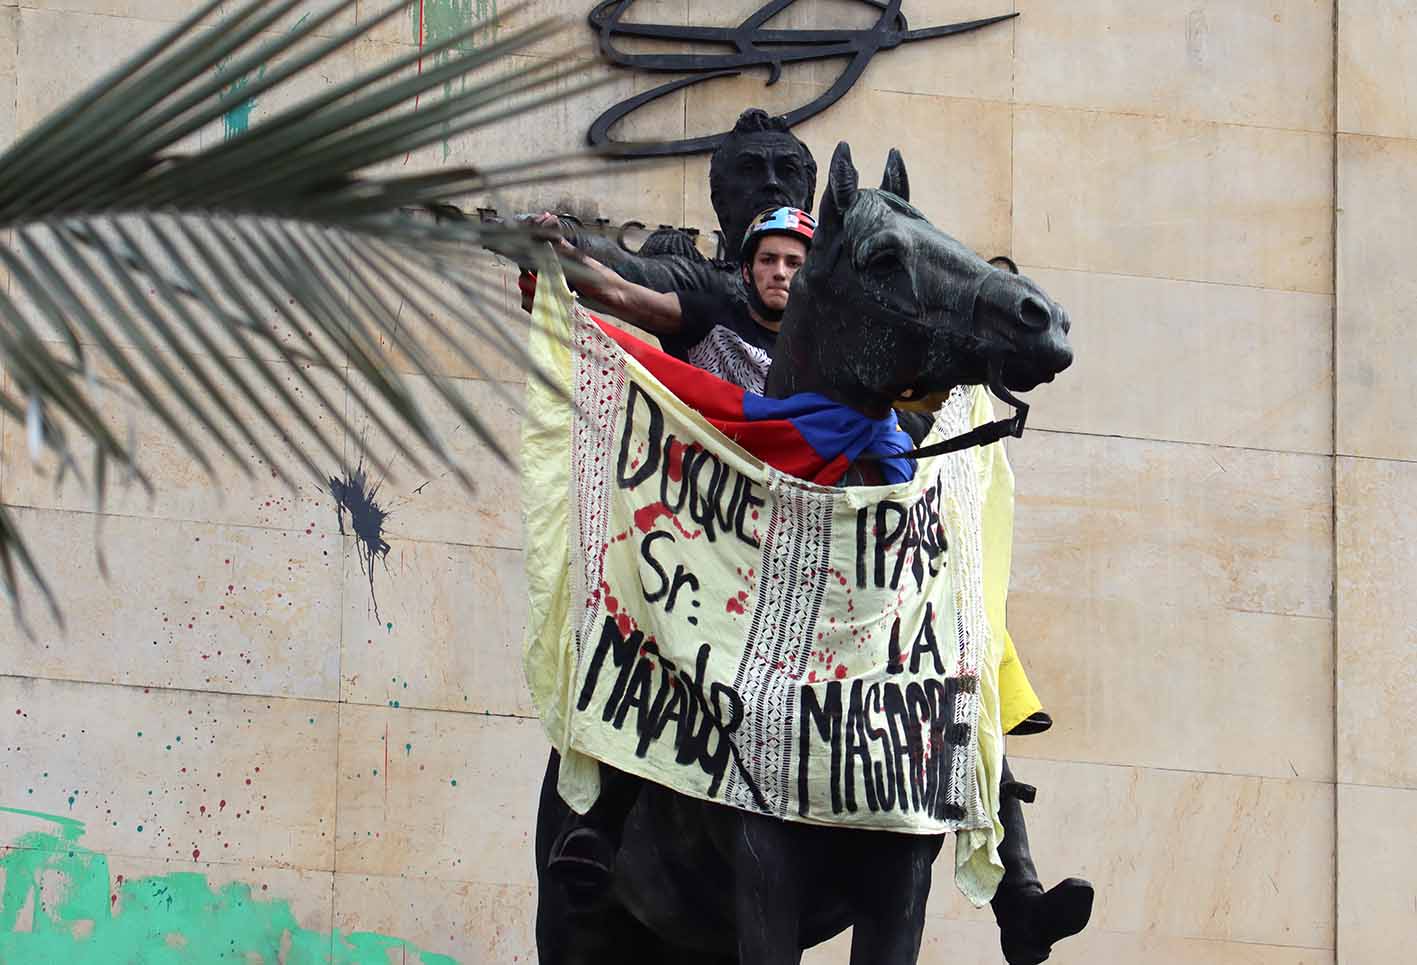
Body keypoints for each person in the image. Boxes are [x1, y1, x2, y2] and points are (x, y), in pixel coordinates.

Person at [531, 205, 815, 394]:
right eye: (767, 260)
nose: (780, 272)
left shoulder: (821, 352)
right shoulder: (709, 318)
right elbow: (620, 292)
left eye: (793, 263)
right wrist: (562, 249)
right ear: (746, 272)